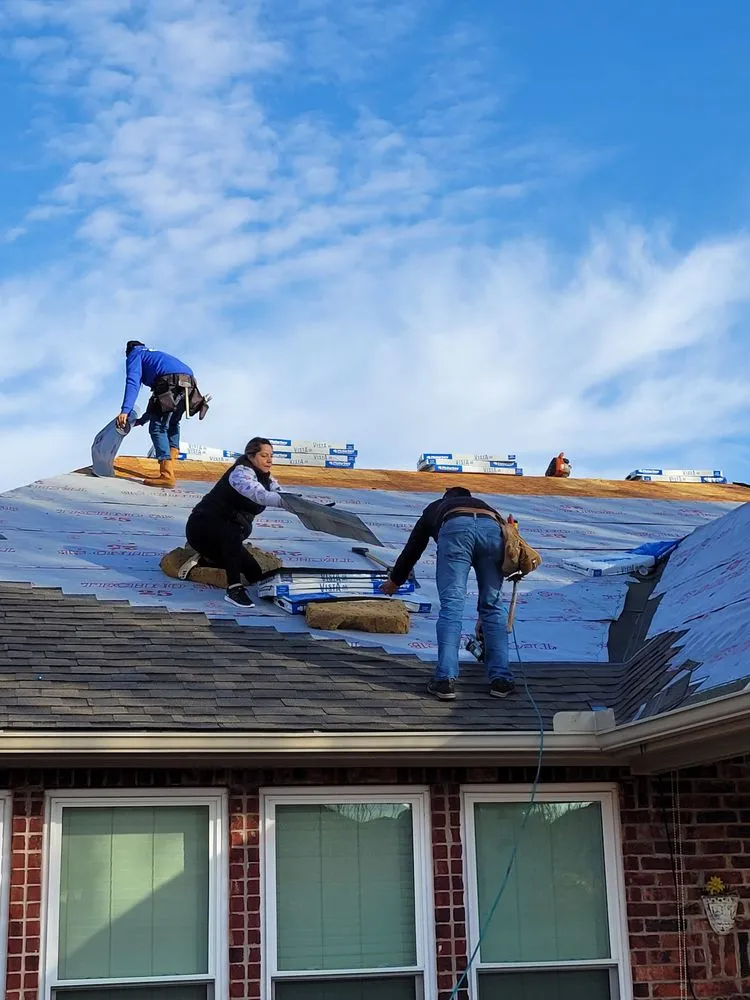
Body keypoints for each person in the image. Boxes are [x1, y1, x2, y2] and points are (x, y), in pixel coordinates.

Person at [381, 486, 514, 700]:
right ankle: (501, 680)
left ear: (446, 497)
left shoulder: (437, 507)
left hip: (456, 528)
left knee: (452, 606)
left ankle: (445, 680)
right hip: (492, 531)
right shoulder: (485, 506)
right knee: (493, 605)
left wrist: (395, 580)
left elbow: (414, 547)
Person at [185, 437, 282, 608]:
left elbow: (283, 494)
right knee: (231, 531)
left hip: (227, 538)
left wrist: (309, 507)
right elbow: (260, 496)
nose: (269, 460)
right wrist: (285, 502)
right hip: (202, 529)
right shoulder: (240, 474)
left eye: (271, 456)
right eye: (264, 455)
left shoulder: (267, 479)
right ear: (251, 456)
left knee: (254, 573)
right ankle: (234, 589)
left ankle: (207, 561)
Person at [116, 341, 208, 489]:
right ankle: (170, 467)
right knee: (172, 424)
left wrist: (125, 411)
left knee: (157, 428)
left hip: (170, 382)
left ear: (128, 351)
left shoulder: (135, 355)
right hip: (188, 384)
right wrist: (142, 420)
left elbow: (133, 382)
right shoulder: (154, 356)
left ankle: (167, 475)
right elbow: (157, 399)